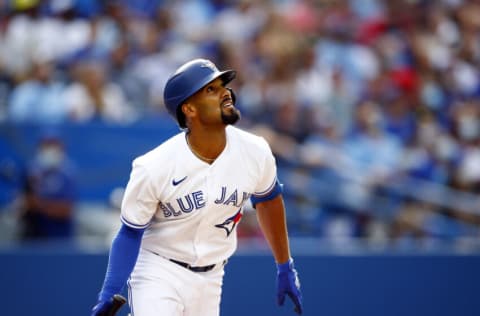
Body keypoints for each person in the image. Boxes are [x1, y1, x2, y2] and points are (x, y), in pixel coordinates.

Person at [91, 58, 303, 316]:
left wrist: (285, 265)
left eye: (223, 86)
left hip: (212, 276)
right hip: (159, 270)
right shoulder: (154, 166)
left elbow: (269, 200)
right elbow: (130, 233)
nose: (226, 93)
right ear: (189, 109)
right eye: (211, 90)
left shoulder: (255, 151)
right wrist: (108, 291)